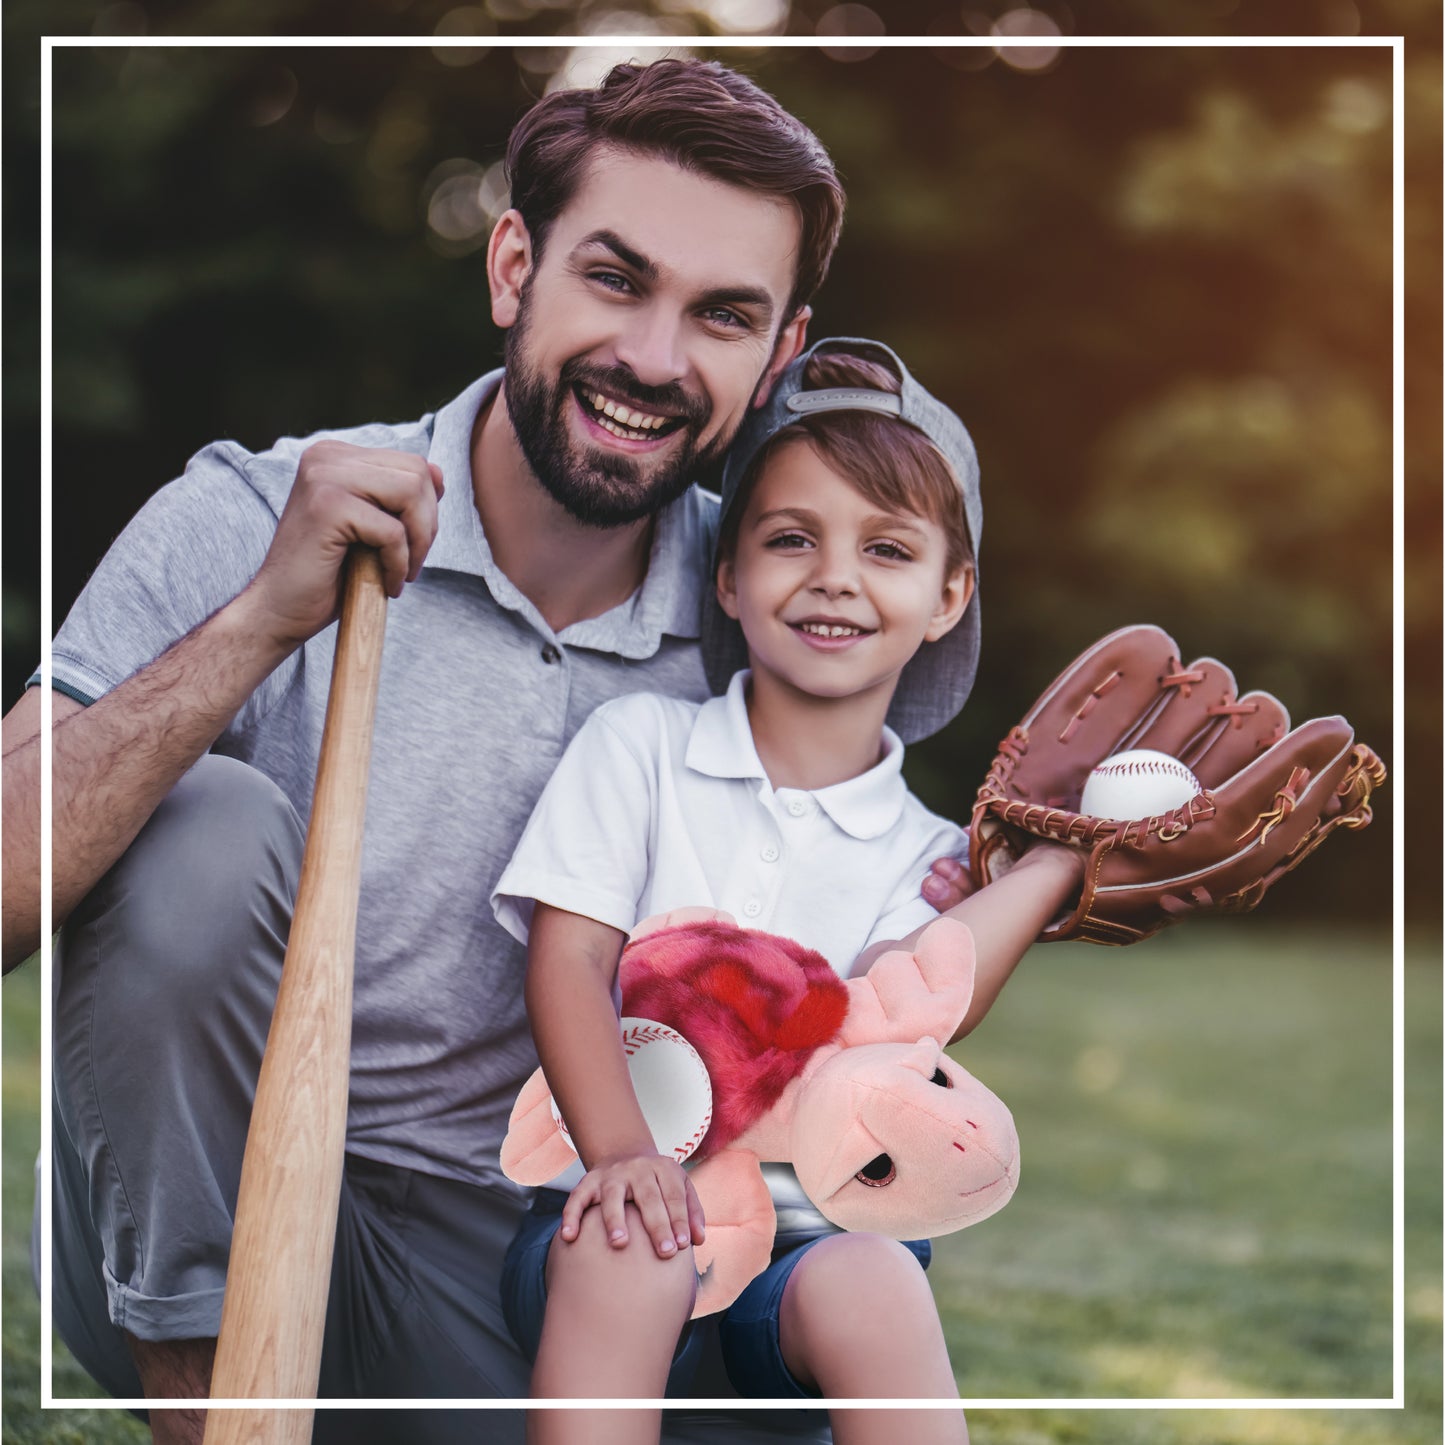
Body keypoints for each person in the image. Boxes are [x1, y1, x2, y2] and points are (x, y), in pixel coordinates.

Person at [3, 58, 989, 1445]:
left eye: (720, 315)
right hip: (236, 1232)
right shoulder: (250, 517)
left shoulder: (770, 596)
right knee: (202, 829)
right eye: (614, 277)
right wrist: (259, 622)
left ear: (778, 354)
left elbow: (888, 874)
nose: (653, 355)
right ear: (513, 263)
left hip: (558, 1257)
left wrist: (1069, 863)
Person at [490, 340, 1086, 1445]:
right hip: (615, 1211)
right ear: (727, 573)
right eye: (789, 538)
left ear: (948, 593)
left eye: (889, 547)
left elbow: (893, 1011)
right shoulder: (641, 747)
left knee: (873, 1280)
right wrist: (623, 1154)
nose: (835, 575)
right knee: (627, 1244)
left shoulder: (926, 855)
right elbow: (567, 956)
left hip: (810, 1249)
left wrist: (1058, 866)